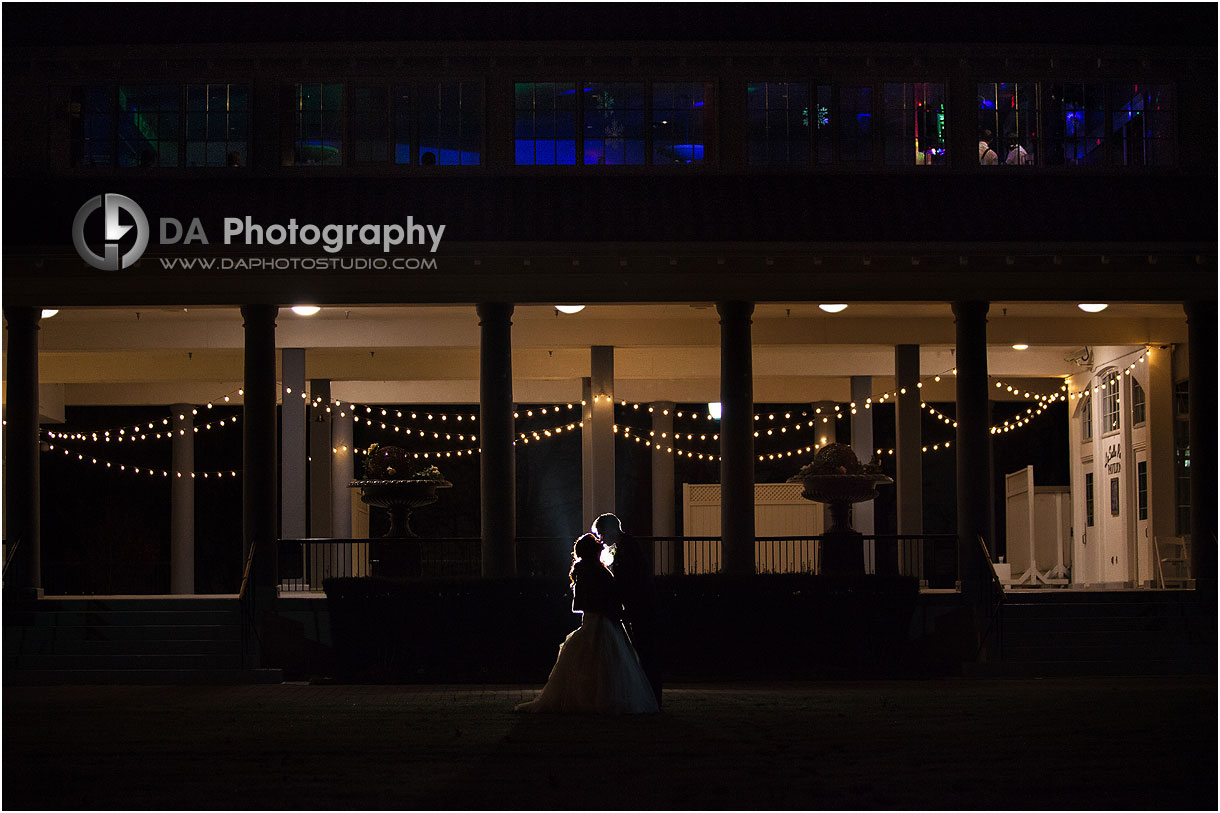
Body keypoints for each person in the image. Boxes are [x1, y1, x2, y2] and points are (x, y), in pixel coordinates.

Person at [515, 534, 658, 715]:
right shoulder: (597, 572)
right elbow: (591, 601)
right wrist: (610, 608)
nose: (601, 545)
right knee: (608, 664)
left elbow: (579, 604)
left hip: (596, 621)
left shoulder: (584, 571)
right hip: (602, 621)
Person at [592, 513, 662, 709]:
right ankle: (651, 698)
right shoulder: (626, 547)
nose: (601, 539)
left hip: (642, 610)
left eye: (601, 533)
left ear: (611, 529)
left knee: (647, 654)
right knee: (645, 654)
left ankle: (653, 699)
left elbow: (629, 583)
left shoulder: (627, 549)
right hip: (640, 608)